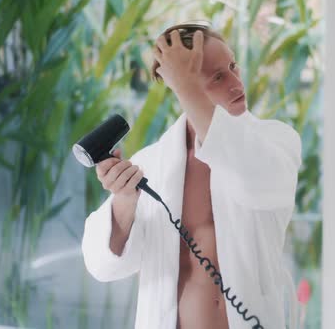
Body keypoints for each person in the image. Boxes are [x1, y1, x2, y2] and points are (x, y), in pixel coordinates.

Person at [81, 21, 302, 329]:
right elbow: (102, 265)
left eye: (233, 67)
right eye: (217, 77)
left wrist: (188, 86)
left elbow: (259, 182)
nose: (236, 83)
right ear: (177, 85)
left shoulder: (275, 141)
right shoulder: (150, 164)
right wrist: (125, 201)